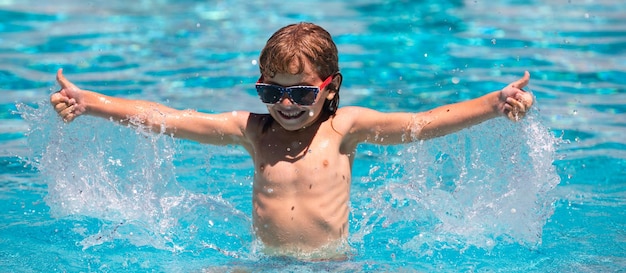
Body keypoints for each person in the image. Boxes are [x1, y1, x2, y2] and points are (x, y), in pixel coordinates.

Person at [50, 22, 533, 260]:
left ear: (330, 87)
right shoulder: (253, 132)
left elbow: (423, 123)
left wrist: (495, 103)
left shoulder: (346, 129)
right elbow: (168, 119)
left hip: (334, 266)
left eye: (300, 92)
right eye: (271, 91)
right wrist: (91, 101)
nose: (286, 104)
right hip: (267, 266)